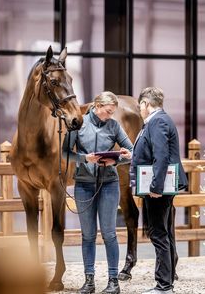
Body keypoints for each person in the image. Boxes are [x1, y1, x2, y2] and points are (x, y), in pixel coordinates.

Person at [62, 91, 133, 294]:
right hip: (83, 185)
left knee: (109, 234)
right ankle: (89, 281)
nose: (110, 116)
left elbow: (133, 151)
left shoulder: (114, 126)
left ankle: (113, 282)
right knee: (88, 235)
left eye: (112, 113)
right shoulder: (79, 124)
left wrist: (117, 159)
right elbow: (65, 152)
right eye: (108, 112)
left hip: (109, 184)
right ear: (97, 106)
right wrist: (85, 158)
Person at [121, 87, 187, 294]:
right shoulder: (159, 120)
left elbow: (161, 156)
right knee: (160, 233)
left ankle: (164, 285)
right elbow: (151, 152)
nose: (140, 109)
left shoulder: (157, 121)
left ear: (146, 104)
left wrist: (156, 188)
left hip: (158, 188)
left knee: (159, 234)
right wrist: (132, 155)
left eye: (140, 105)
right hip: (158, 186)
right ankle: (164, 283)